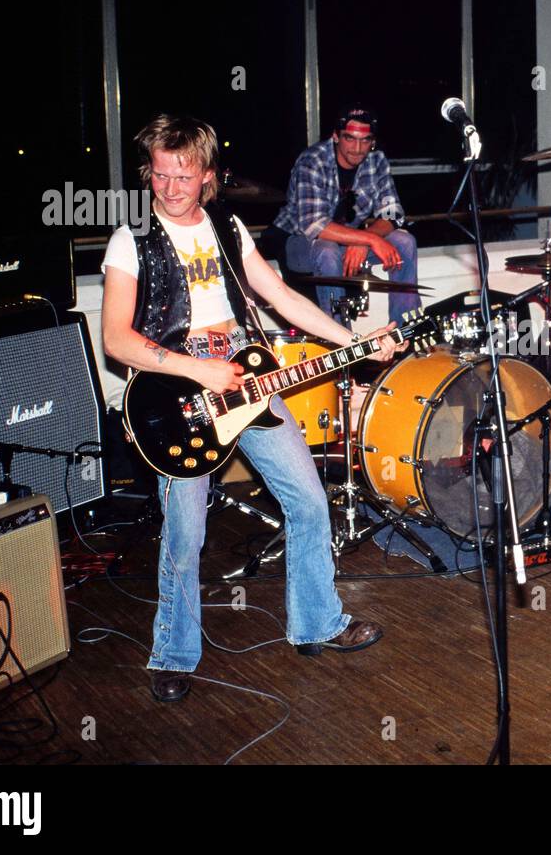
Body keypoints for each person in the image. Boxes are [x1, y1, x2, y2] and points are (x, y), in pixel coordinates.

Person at [102, 115, 393, 703]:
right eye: (160, 175)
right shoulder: (130, 239)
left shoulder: (226, 226)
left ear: (207, 175)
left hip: (243, 370)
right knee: (186, 532)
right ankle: (174, 653)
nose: (171, 188)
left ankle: (316, 622)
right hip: (175, 387)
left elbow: (280, 294)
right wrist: (196, 368)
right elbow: (116, 340)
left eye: (184, 176)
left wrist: (353, 342)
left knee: (310, 501)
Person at [276, 103, 420, 326]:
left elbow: (393, 213)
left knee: (404, 241)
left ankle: (405, 331)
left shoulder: (377, 160)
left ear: (372, 141)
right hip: (297, 243)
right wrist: (369, 238)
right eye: (349, 138)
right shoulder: (313, 161)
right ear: (335, 136)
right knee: (327, 250)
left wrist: (363, 241)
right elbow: (315, 225)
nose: (357, 147)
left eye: (365, 140)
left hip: (348, 238)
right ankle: (341, 341)